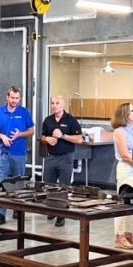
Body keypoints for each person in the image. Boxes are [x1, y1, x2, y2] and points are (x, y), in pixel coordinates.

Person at [0, 86, 34, 225]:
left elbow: (31, 130)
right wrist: (2, 136)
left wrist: (20, 134)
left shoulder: (24, 112)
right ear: (7, 97)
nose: (14, 100)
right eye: (12, 98)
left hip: (19, 153)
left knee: (18, 182)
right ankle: (0, 213)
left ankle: (17, 208)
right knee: (1, 182)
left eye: (17, 98)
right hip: (3, 153)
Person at [40, 95, 83, 227]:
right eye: (52, 103)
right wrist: (46, 139)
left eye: (57, 103)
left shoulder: (71, 120)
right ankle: (52, 209)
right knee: (49, 185)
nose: (54, 105)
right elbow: (42, 136)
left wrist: (63, 136)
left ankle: (61, 215)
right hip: (50, 157)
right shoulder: (48, 120)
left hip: (66, 157)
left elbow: (79, 139)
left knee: (63, 187)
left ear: (63, 105)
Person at [111, 102, 133, 249]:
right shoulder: (119, 132)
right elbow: (124, 154)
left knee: (132, 201)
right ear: (125, 114)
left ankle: (128, 233)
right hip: (126, 168)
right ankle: (119, 236)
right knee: (122, 202)